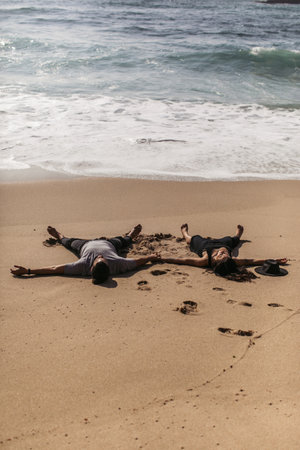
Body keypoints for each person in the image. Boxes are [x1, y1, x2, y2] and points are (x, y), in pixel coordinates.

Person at [10, 224, 160, 284]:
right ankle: (131, 234)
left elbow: (54, 269)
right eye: (103, 260)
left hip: (84, 245)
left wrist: (28, 271)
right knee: (125, 240)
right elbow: (138, 261)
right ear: (108, 266)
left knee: (67, 242)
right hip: (110, 244)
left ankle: (59, 235)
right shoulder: (118, 264)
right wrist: (151, 257)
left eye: (98, 260)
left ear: (91, 267)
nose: (101, 257)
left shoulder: (81, 266)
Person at [161, 223, 287, 282]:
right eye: (224, 255)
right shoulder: (232, 260)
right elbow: (252, 261)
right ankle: (238, 234)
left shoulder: (204, 260)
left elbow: (183, 260)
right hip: (224, 243)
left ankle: (185, 233)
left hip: (205, 246)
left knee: (192, 240)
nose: (220, 254)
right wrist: (274, 260)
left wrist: (162, 258)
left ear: (213, 261)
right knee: (233, 240)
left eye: (218, 256)